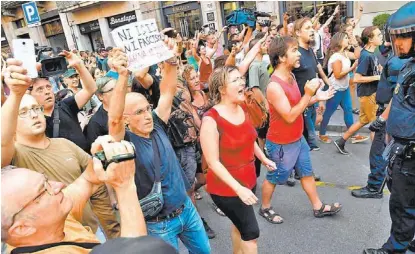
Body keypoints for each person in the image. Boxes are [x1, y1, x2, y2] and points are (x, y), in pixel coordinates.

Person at [1, 58, 120, 239]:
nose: (33, 115)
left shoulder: (64, 144)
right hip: (54, 240)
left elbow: (94, 179)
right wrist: (16, 95)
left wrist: (112, 228)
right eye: (23, 112)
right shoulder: (14, 156)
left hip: (91, 232)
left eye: (35, 109)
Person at [108, 44, 210, 253]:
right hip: (159, 224)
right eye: (139, 112)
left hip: (187, 211)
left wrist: (171, 60)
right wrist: (122, 77)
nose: (147, 115)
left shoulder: (156, 123)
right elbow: (114, 118)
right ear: (126, 120)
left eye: (147, 109)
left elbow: (167, 91)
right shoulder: (124, 143)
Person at [1, 137, 146, 253]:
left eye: (46, 180)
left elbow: (88, 180)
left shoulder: (51, 220)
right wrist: (125, 186)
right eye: (44, 189)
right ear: (23, 228)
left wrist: (100, 157)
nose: (60, 185)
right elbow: (140, 249)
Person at [260, 36, 341, 225]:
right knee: (274, 177)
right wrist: (309, 94)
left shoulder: (291, 76)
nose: (299, 54)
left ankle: (318, 206)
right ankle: (265, 208)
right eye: (294, 50)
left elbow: (297, 105)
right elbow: (289, 115)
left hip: (297, 137)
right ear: (281, 57)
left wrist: (316, 97)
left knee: (306, 172)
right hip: (281, 143)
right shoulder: (274, 86)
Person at [201, 66, 276, 254]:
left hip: (248, 181)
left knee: (239, 226)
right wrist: (238, 189)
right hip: (227, 189)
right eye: (235, 80)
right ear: (221, 89)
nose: (242, 82)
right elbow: (213, 163)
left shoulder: (242, 107)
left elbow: (249, 138)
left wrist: (264, 158)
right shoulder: (211, 120)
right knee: (251, 234)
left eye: (241, 79)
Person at [363, 2, 415, 253]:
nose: (399, 44)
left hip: (410, 152)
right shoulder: (408, 65)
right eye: (397, 37)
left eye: (404, 36)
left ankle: (394, 249)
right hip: (401, 147)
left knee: (402, 205)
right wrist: (384, 120)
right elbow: (398, 99)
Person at [351, 19, 409, 199]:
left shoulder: (399, 60)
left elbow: (397, 94)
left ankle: (375, 185)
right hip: (387, 109)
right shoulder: (392, 53)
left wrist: (382, 117)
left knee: (378, 151)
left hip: (390, 111)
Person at [28, 50, 97, 153]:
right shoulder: (32, 119)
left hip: (86, 160)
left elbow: (90, 89)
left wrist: (79, 65)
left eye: (48, 87)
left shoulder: (66, 105)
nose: (47, 92)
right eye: (40, 89)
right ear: (30, 95)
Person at [334, 26, 384, 155]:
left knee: (363, 121)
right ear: (371, 40)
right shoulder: (366, 55)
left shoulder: (373, 53)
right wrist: (377, 77)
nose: (381, 36)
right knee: (375, 126)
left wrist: (380, 70)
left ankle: (341, 141)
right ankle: (377, 156)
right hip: (368, 95)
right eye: (378, 35)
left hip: (370, 93)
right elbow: (356, 78)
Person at [292, 17, 332, 153]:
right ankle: (303, 173)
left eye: (312, 28)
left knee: (305, 147)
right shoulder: (294, 53)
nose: (312, 31)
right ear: (297, 32)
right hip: (299, 106)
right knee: (303, 144)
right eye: (307, 28)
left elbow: (314, 75)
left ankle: (303, 173)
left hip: (312, 102)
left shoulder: (310, 51)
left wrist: (320, 99)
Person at [319, 32, 359, 144]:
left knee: (348, 110)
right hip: (335, 89)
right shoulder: (336, 57)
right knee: (328, 113)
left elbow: (357, 55)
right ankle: (322, 134)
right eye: (346, 38)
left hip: (344, 88)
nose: (347, 40)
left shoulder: (345, 53)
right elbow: (338, 75)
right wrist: (352, 68)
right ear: (340, 41)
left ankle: (352, 135)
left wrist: (355, 44)